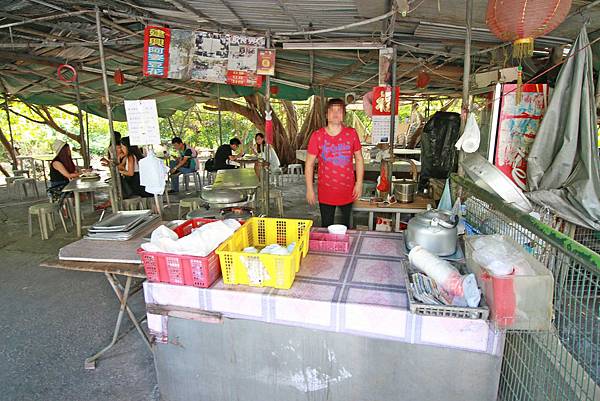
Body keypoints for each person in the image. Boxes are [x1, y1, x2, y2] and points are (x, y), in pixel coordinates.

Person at [305, 98, 364, 228]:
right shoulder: (317, 136)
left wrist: (359, 183)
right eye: (332, 110)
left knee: (346, 227)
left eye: (339, 110)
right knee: (326, 226)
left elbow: (359, 159)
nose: (335, 113)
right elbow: (309, 164)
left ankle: (345, 248)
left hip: (348, 190)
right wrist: (309, 189)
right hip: (326, 190)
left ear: (343, 115)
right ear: (326, 114)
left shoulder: (351, 133)